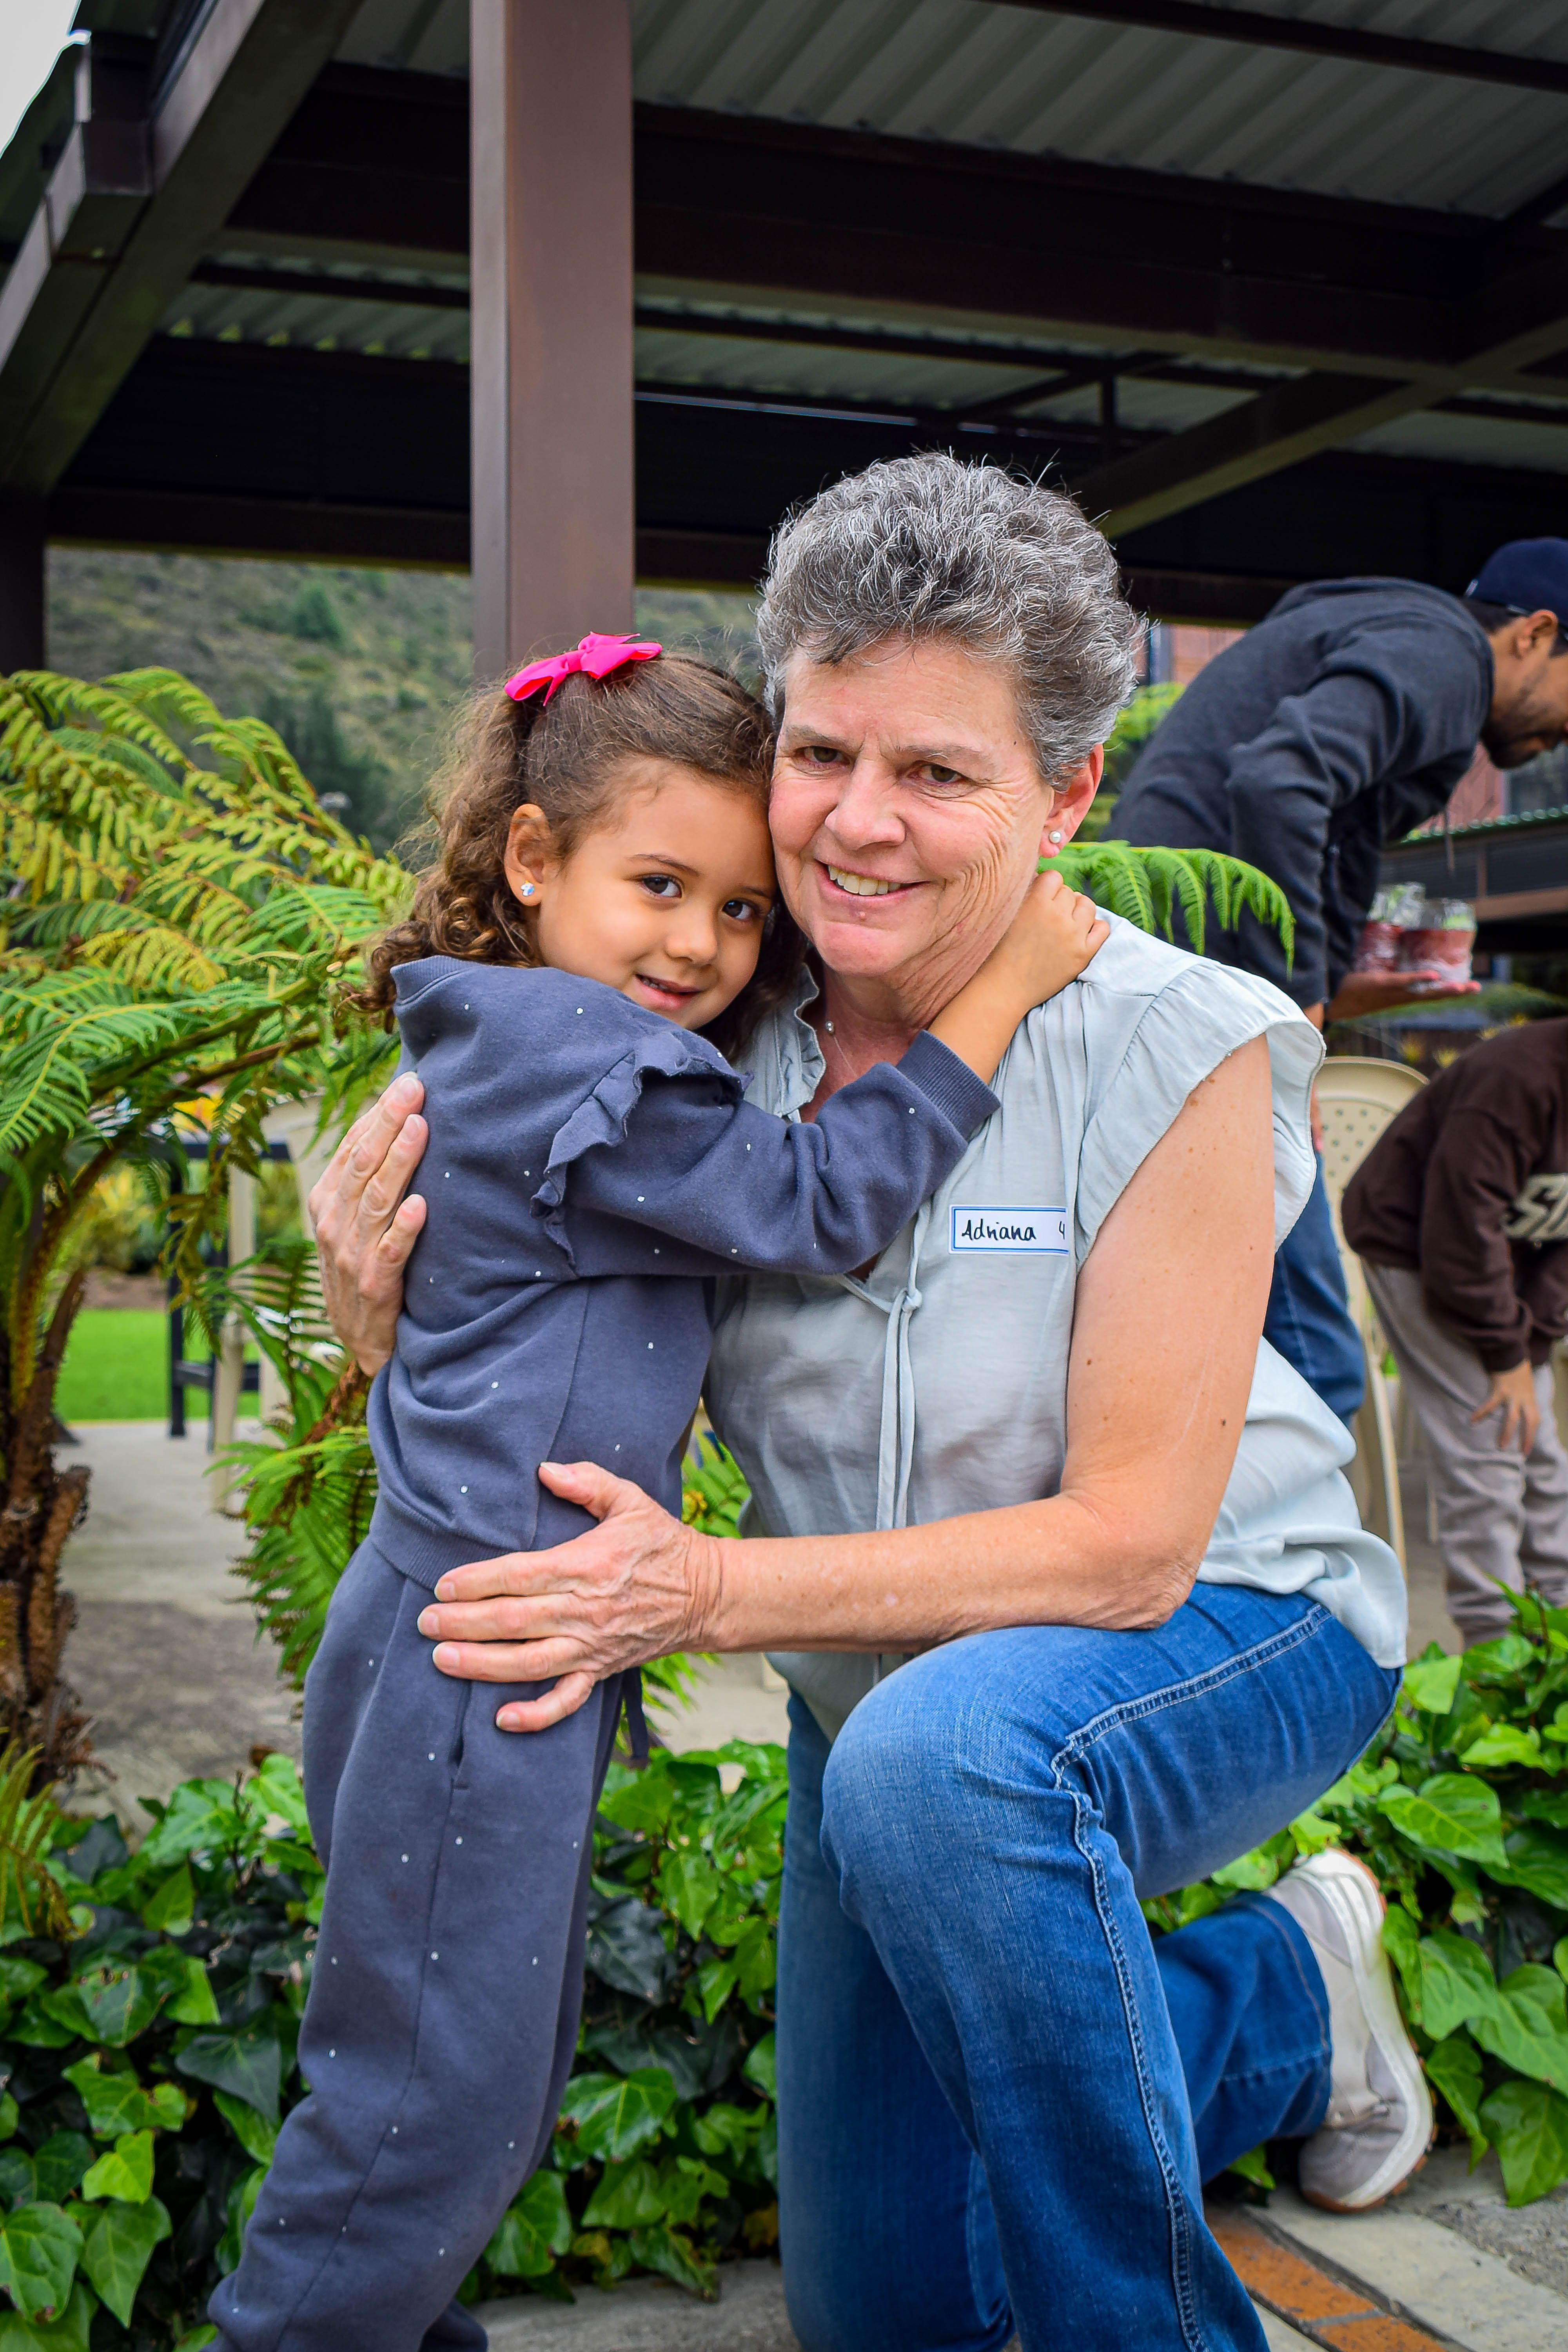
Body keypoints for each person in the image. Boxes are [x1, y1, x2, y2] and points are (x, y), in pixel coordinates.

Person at [310, 458, 1421, 2352]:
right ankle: (1291, 1997)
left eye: (938, 772)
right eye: (821, 752)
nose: (858, 824)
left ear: (1067, 795)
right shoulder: (698, 1022)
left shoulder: (1174, 1034)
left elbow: (1132, 1541)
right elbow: (522, 1307)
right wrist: (367, 1313)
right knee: (884, 2309)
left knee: (945, 1768)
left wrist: (702, 1593)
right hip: (878, 1674)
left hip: (1215, 1619)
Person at [212, 634, 1105, 2352]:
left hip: (463, 1634)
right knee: (432, 2097)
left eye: (743, 911)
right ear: (532, 862)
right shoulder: (575, 1058)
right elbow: (819, 1198)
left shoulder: (527, 1024)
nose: (701, 943)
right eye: (659, 887)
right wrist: (1008, 985)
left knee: (464, 2064)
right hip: (490, 1653)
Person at [1115, 539, 1568, 1427]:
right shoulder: (1442, 656)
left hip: (1187, 958)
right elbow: (1280, 779)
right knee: (1318, 1364)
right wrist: (1294, 1002)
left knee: (1213, 1329)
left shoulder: (1394, 636)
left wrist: (1310, 1014)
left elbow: (1339, 840)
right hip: (1201, 970)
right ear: (1535, 634)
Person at [1343, 1019, 1568, 1645]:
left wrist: (1532, 1344)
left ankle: (1558, 1629)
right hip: (1416, 1247)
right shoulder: (1515, 1079)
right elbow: (1458, 1234)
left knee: (1542, 1451)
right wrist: (1504, 1355)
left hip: (1510, 1261)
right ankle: (1495, 1653)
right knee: (1490, 1449)